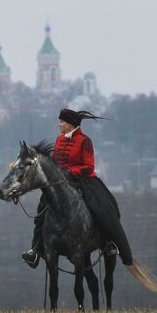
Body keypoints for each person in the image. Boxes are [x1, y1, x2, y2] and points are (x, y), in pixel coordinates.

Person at [22, 108, 134, 268]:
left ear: (70, 124)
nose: (59, 125)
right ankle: (35, 249)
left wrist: (69, 172)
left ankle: (109, 243)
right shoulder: (59, 139)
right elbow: (55, 162)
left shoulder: (85, 141)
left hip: (83, 180)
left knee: (101, 207)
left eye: (61, 122)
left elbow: (89, 167)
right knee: (42, 209)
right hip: (60, 183)